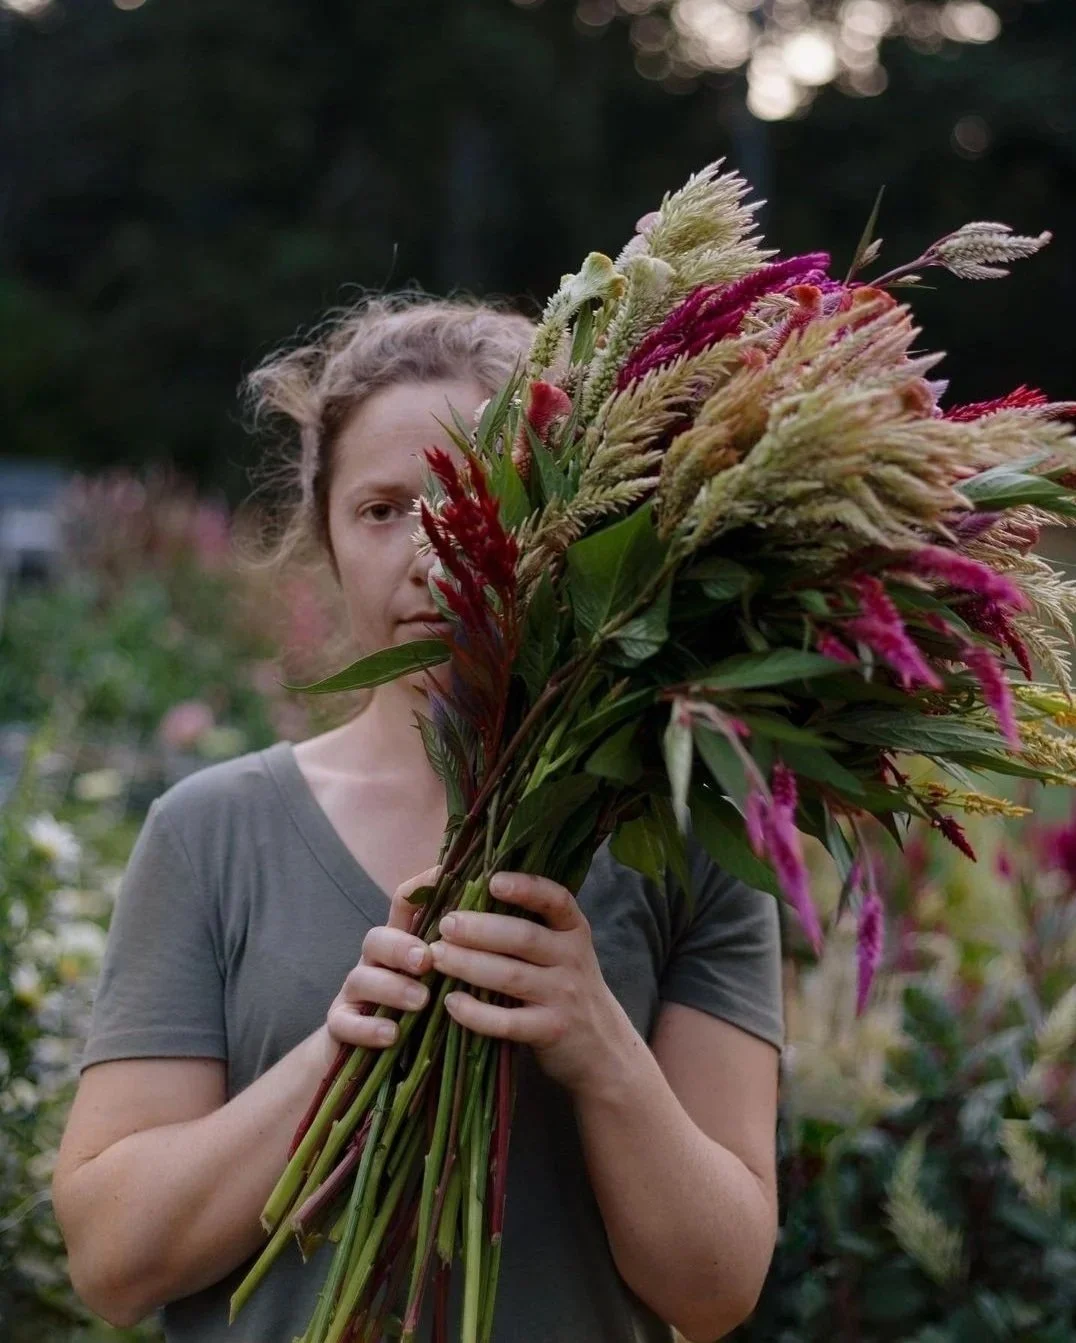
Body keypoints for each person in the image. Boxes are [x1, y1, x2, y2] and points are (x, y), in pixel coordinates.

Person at [52, 293, 785, 1343]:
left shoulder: (687, 842)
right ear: (327, 538)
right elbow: (112, 1259)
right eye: (383, 508)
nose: (435, 552)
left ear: (568, 524)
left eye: (476, 500)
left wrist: (596, 1042)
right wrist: (335, 1056)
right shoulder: (208, 832)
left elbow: (713, 1290)